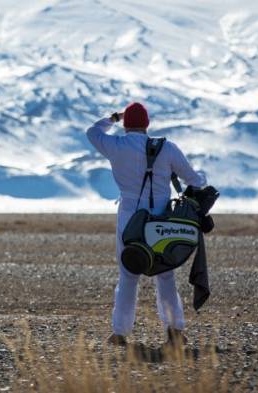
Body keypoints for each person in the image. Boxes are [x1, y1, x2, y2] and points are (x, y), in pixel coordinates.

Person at [86, 102, 206, 346]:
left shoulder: (116, 146)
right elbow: (194, 180)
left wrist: (113, 118)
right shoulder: (167, 148)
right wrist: (201, 181)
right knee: (165, 275)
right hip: (161, 221)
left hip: (129, 220)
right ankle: (174, 331)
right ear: (147, 124)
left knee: (128, 275)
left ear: (126, 124)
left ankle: (120, 334)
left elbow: (92, 132)